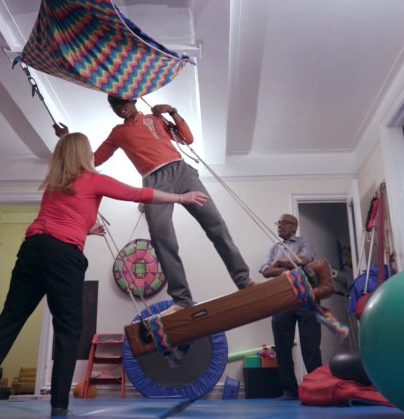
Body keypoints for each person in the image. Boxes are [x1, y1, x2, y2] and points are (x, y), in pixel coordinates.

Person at [0, 132, 208, 417]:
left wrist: (86, 230)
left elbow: (59, 222)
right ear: (84, 155)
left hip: (31, 249)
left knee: (8, 320)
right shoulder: (94, 180)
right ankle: (59, 406)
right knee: (68, 331)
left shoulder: (53, 186)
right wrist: (182, 196)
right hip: (63, 256)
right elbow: (139, 194)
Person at [54, 95, 255, 314]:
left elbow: (187, 139)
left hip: (182, 172)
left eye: (124, 104)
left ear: (134, 102)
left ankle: (244, 281)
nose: (120, 109)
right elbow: (93, 160)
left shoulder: (155, 119)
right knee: (162, 239)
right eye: (115, 106)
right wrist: (65, 138)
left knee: (216, 224)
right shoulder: (118, 133)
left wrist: (172, 111)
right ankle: (182, 300)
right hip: (153, 181)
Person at [259, 213, 322, 401]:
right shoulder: (273, 248)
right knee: (282, 348)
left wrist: (280, 263)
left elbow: (304, 259)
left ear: (294, 227)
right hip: (282, 301)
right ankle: (289, 391)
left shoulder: (304, 241)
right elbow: (265, 270)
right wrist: (287, 268)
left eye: (284, 222)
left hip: (306, 298)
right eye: (278, 222)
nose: (280, 226)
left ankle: (318, 388)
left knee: (310, 347)